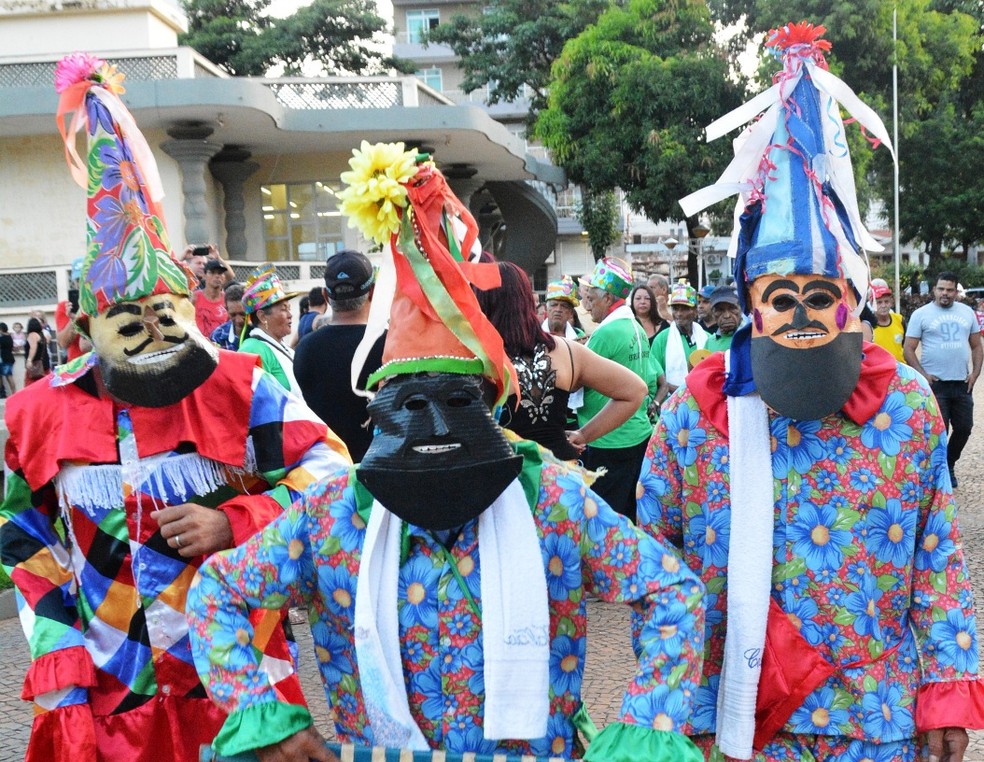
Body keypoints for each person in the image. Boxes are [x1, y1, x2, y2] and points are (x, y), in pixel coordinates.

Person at [188, 144, 705, 762]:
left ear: (492, 405)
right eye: (408, 403)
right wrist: (264, 721)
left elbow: (674, 593)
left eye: (456, 401)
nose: (431, 421)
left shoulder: (553, 504)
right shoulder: (333, 515)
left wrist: (641, 736)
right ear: (377, 408)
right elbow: (218, 590)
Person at [645, 22, 984, 761]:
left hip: (876, 721)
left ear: (853, 299)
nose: (801, 312)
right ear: (750, 300)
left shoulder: (907, 407)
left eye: (821, 293)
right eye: (780, 295)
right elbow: (655, 567)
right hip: (733, 724)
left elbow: (937, 557)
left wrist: (946, 693)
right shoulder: (692, 415)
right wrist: (666, 707)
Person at [0, 53, 352, 762]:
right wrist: (61, 669)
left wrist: (237, 519)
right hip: (110, 699)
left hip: (239, 688)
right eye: (134, 321)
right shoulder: (36, 413)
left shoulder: (237, 383)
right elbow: (22, 535)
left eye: (170, 315)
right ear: (84, 326)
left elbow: (332, 471)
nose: (158, 337)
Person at [476, 261, 647, 461]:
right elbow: (636, 391)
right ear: (528, 302)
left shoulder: (475, 359)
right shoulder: (566, 350)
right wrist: (583, 435)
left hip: (507, 480)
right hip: (559, 479)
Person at [578, 257, 656, 522]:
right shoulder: (636, 327)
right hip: (637, 433)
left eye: (591, 298)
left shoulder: (605, 333)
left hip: (607, 438)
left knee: (607, 519)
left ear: (608, 297)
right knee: (631, 515)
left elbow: (576, 379)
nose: (587, 306)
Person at [294, 250, 385, 462]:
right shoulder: (389, 346)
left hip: (324, 474)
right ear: (372, 292)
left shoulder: (305, 349)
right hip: (378, 471)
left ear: (326, 296)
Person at [904, 271, 982, 487]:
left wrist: (975, 374)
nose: (945, 293)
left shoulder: (967, 313)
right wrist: (923, 375)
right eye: (941, 289)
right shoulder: (921, 314)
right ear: (934, 290)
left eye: (949, 289)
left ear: (956, 291)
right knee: (938, 432)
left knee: (965, 428)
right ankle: (938, 474)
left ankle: (949, 462)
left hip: (961, 384)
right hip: (935, 385)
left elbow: (976, 346)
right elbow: (908, 349)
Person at [239, 263, 304, 395]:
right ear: (262, 316)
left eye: (289, 309)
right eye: (283, 309)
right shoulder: (252, 350)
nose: (290, 315)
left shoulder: (283, 347)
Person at [650, 280, 708, 394]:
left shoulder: (707, 338)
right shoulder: (662, 339)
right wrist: (682, 391)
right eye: (675, 308)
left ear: (695, 311)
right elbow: (654, 376)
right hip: (670, 403)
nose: (679, 314)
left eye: (685, 309)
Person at [55, 256, 91, 362]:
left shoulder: (103, 303)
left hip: (102, 367)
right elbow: (62, 343)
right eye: (78, 280)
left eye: (86, 279)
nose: (82, 284)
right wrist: (74, 320)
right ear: (74, 282)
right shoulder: (65, 307)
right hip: (78, 368)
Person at [193, 257, 231, 337]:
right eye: (212, 272)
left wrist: (219, 257)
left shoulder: (227, 300)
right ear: (204, 275)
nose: (217, 276)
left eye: (220, 273)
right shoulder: (195, 298)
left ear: (224, 278)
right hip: (198, 344)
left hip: (221, 345)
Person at [871, 284, 906, 363]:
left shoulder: (900, 320)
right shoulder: (868, 325)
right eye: (879, 302)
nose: (883, 306)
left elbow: (907, 348)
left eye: (886, 301)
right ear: (872, 304)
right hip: (880, 371)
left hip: (900, 371)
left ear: (891, 302)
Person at [542, 275, 585, 340]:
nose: (558, 309)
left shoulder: (579, 335)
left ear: (571, 313)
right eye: (554, 305)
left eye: (564, 306)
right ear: (546, 308)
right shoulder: (534, 334)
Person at [703, 286, 742, 353]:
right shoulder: (709, 343)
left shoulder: (750, 337)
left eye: (732, 308)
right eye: (720, 310)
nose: (727, 316)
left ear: (741, 309)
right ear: (713, 314)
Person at [209, 282, 246, 351]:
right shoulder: (218, 335)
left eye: (243, 314)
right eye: (233, 315)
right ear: (226, 309)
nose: (239, 320)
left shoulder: (260, 333)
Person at [22, 316, 50, 386]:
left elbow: (33, 348)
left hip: (35, 366)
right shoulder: (42, 335)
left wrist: (29, 360)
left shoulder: (33, 335)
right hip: (44, 365)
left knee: (31, 386)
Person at [0, 322, 16, 397]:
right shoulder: (9, 337)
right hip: (9, 358)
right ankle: (14, 392)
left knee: (9, 376)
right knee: (8, 376)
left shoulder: (2, 338)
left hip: (5, 359)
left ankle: (14, 393)